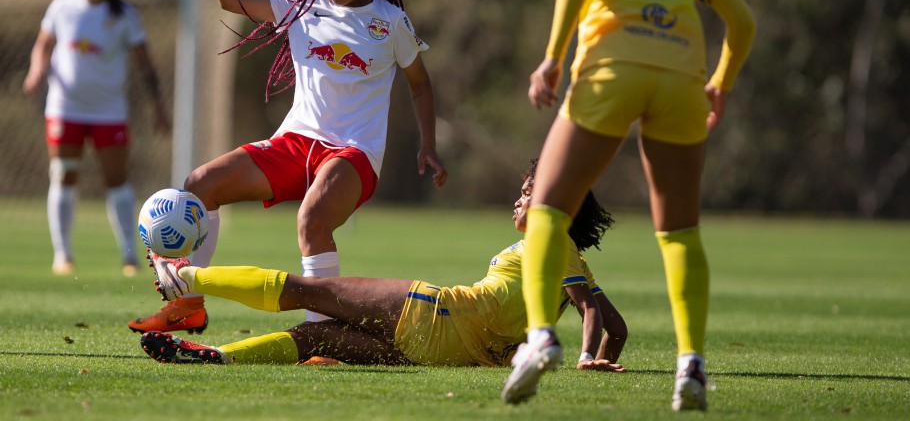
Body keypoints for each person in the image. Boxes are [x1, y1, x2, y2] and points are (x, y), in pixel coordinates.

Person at [501, 0, 757, 412]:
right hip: (679, 80)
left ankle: (540, 338)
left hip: (610, 73)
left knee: (546, 211)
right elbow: (742, 21)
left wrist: (552, 59)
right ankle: (690, 366)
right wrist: (719, 83)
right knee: (680, 232)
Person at [128, 0, 448, 335]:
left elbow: (420, 85)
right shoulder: (301, 5)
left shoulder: (390, 21)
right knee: (202, 184)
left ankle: (323, 334)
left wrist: (428, 144)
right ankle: (187, 305)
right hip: (296, 143)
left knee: (312, 220)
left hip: (353, 152)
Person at [138, 160, 627, 372]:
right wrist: (602, 354)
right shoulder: (573, 258)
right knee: (319, 336)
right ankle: (215, 356)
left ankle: (183, 275)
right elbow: (614, 325)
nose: (520, 200)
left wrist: (585, 356)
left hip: (435, 313)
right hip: (453, 356)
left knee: (309, 292)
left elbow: (589, 312)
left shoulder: (550, 238)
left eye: (529, 192)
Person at [22, 0, 171, 277]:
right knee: (63, 175)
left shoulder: (125, 15)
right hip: (64, 108)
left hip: (109, 112)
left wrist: (159, 107)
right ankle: (63, 255)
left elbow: (146, 66)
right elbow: (42, 45)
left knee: (117, 181)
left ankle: (130, 256)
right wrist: (35, 70)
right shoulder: (62, 7)